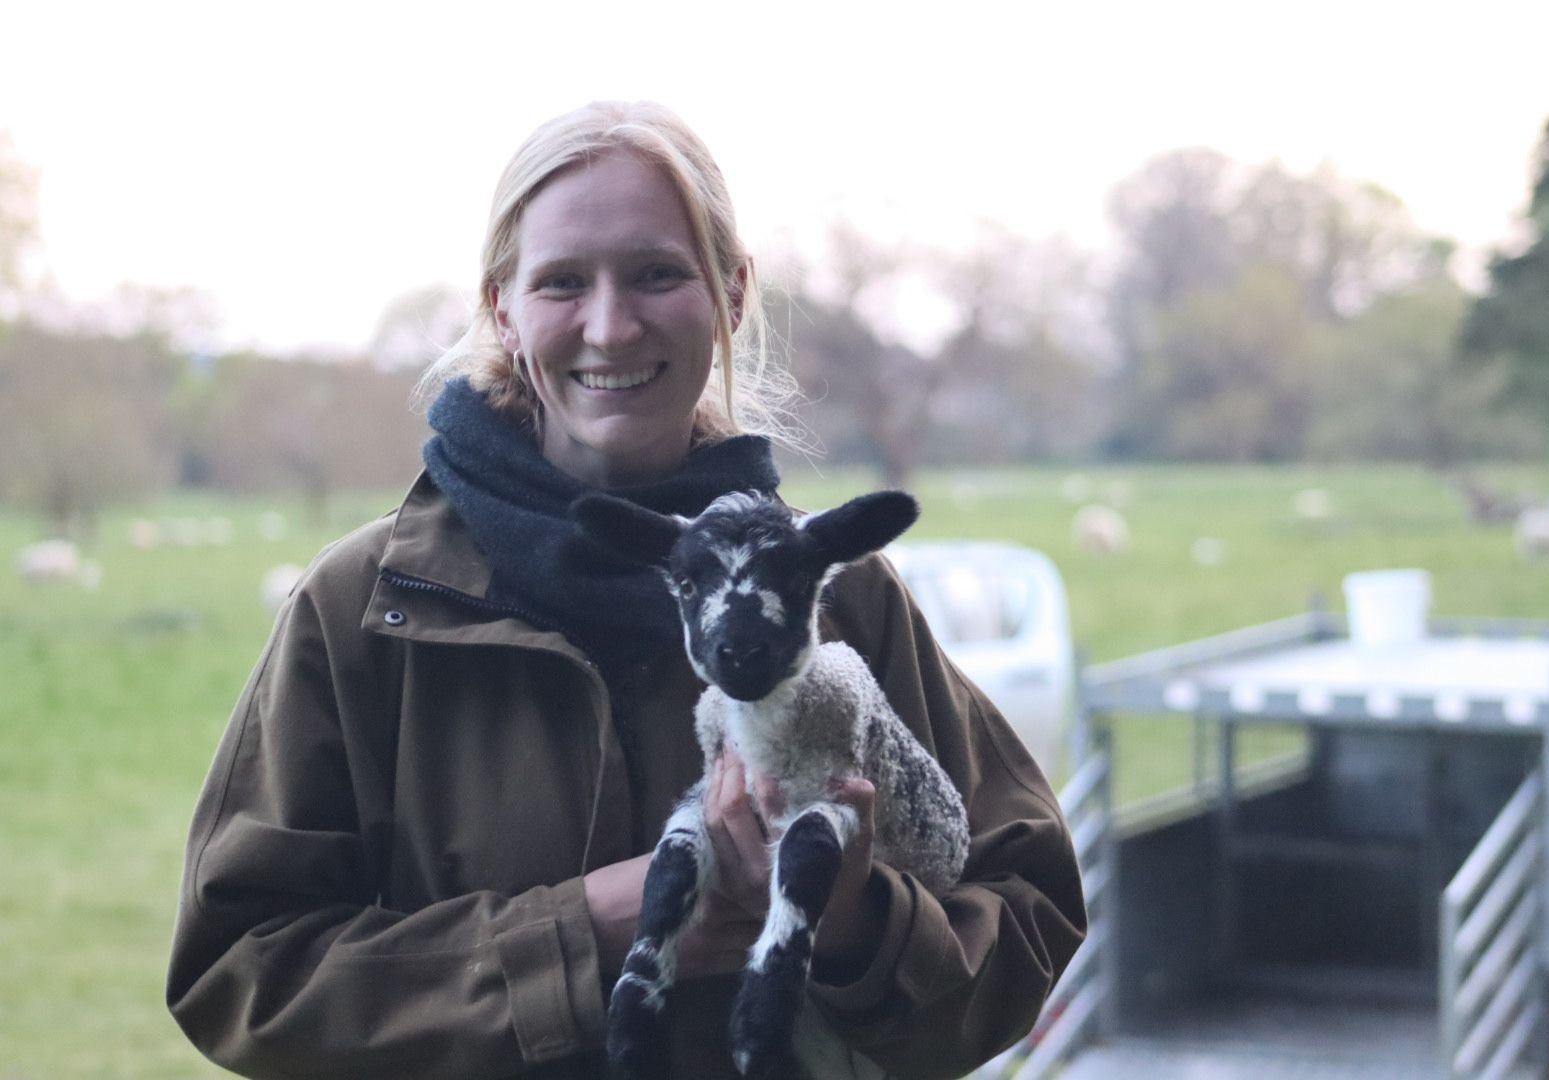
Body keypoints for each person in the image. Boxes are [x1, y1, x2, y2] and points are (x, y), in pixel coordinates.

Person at [166, 100, 1085, 1079]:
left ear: (731, 294)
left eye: (657, 273)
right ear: (501, 309)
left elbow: (1031, 917)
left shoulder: (842, 599)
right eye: (563, 281)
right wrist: (589, 931)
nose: (611, 326)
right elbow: (240, 975)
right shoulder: (369, 607)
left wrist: (854, 920)